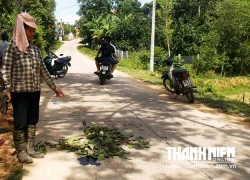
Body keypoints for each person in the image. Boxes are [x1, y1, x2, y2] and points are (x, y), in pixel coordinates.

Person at [2, 12, 65, 164]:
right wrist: (7, 89)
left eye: (33, 31)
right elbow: (5, 69)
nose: (32, 34)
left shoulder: (36, 50)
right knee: (20, 121)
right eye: (29, 31)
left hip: (34, 91)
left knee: (32, 119)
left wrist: (54, 87)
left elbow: (43, 70)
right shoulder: (12, 49)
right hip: (19, 92)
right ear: (21, 31)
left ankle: (30, 148)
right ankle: (21, 151)